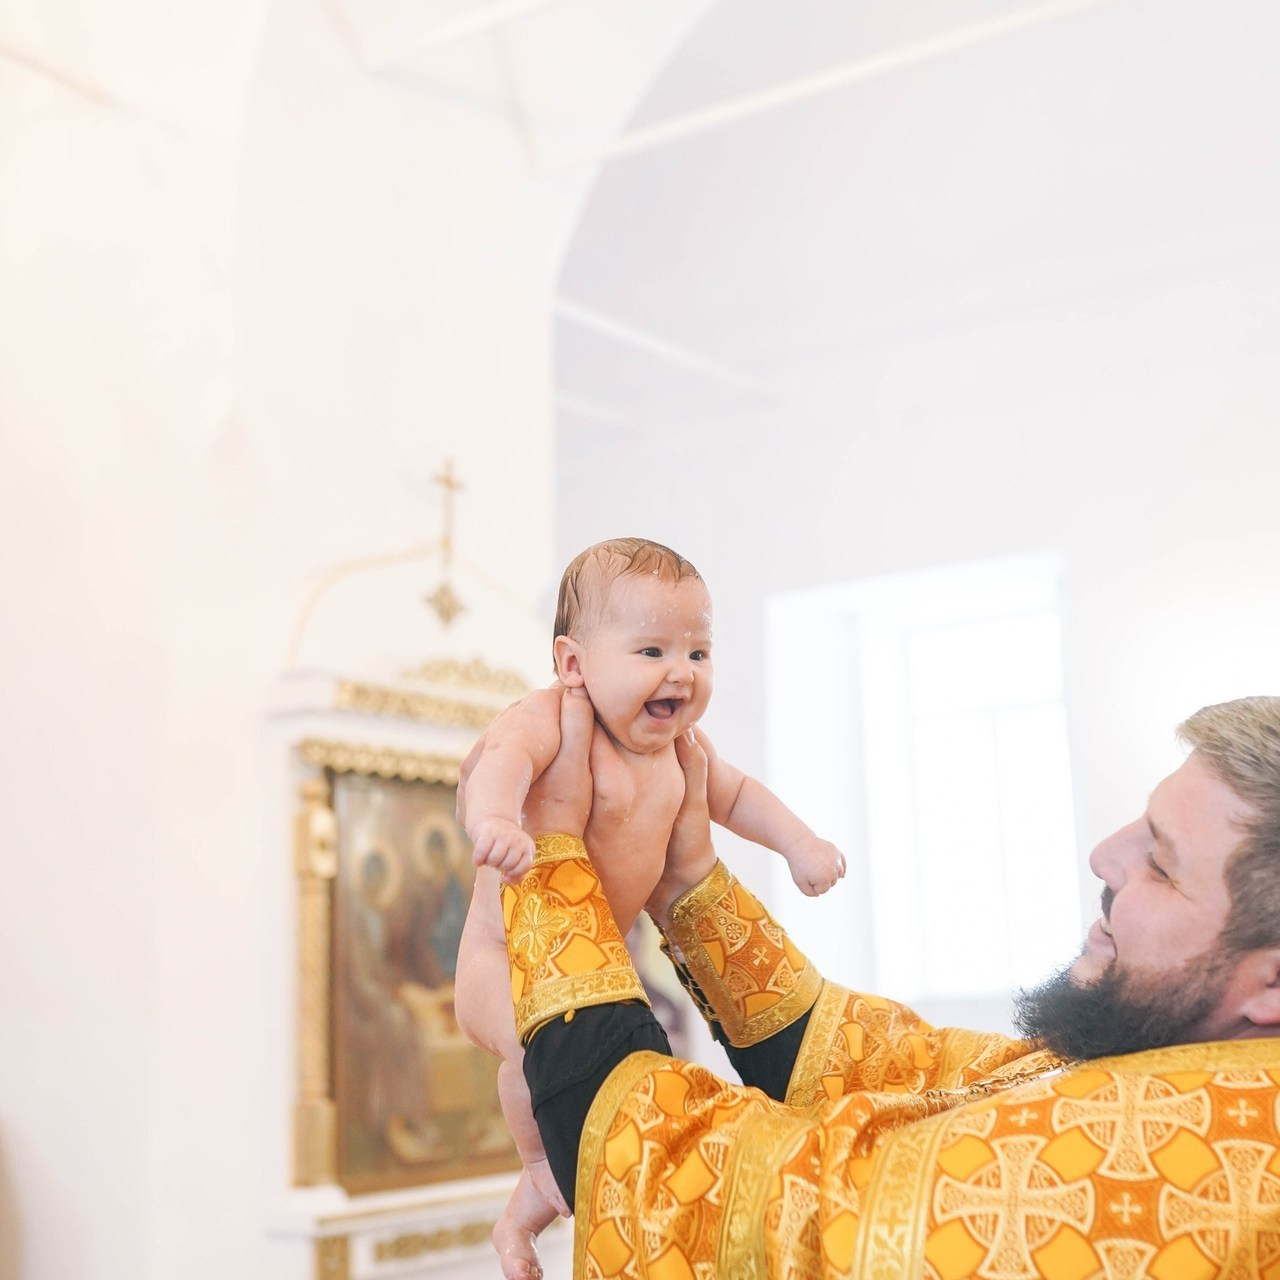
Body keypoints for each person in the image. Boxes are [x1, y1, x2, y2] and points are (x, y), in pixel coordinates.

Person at [500, 690, 1280, 1279]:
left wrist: (551, 854)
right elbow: (898, 1069)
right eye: (1138, 828)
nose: (1106, 858)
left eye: (1162, 865)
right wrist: (685, 883)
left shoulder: (1198, 1174)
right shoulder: (1197, 1064)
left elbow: (713, 1192)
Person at [453, 538, 845, 1276]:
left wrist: (800, 844)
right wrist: (497, 822)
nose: (681, 673)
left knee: (596, 1094)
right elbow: (496, 763)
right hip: (498, 958)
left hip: (599, 967)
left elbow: (735, 797)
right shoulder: (547, 718)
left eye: (698, 653)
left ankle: (517, 1224)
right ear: (574, 666)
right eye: (652, 650)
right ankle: (537, 1160)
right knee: (534, 1052)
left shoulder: (679, 748)